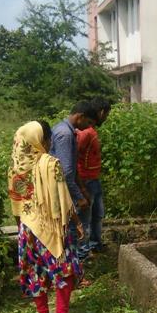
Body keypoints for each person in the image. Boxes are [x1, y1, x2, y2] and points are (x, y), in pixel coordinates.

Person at [8, 121, 86, 313]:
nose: (50, 142)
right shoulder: (51, 164)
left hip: (26, 228)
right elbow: (63, 199)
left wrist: (22, 229)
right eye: (48, 138)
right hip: (50, 228)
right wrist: (77, 222)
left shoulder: (16, 167)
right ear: (40, 140)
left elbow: (16, 204)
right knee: (65, 269)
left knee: (35, 271)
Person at [50, 101, 98, 260]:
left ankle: (72, 266)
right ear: (80, 117)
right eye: (89, 122)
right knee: (72, 229)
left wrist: (82, 189)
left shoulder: (63, 130)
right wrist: (79, 197)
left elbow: (71, 167)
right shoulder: (65, 134)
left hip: (64, 187)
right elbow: (66, 172)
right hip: (62, 189)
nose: (89, 127)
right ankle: (73, 267)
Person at [76, 97, 111, 259]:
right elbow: (75, 157)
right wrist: (81, 186)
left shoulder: (91, 132)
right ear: (101, 112)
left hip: (94, 180)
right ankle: (83, 253)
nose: (106, 118)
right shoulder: (86, 133)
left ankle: (96, 245)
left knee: (98, 215)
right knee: (86, 218)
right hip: (86, 181)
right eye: (106, 114)